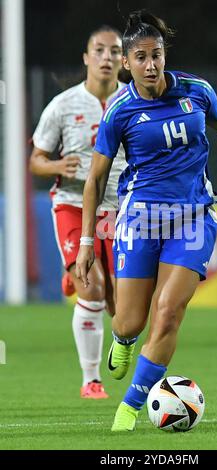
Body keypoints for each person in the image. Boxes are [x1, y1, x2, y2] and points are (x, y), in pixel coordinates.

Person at [76, 10, 217, 429]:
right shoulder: (119, 113)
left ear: (165, 56)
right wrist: (87, 243)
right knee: (130, 320)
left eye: (157, 55)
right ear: (127, 65)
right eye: (142, 58)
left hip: (194, 218)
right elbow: (94, 180)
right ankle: (124, 341)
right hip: (141, 221)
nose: (151, 65)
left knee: (168, 312)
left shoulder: (196, 91)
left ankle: (128, 409)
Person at [30, 25, 127, 399]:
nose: (107, 57)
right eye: (99, 50)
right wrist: (56, 166)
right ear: (87, 58)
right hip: (72, 205)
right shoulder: (62, 104)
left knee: (123, 306)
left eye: (114, 51)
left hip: (121, 210)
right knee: (94, 287)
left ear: (122, 60)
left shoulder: (134, 101)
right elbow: (36, 160)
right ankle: (91, 380)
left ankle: (77, 278)